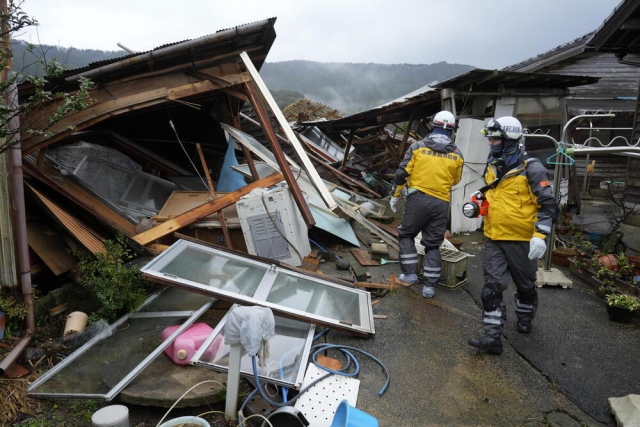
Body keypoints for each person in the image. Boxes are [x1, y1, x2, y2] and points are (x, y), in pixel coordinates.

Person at [467, 116, 558, 355]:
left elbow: (548, 205)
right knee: (491, 289)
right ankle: (492, 338)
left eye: (496, 139)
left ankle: (525, 318)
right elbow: (497, 195)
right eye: (490, 139)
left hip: (522, 241)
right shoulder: (492, 164)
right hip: (495, 238)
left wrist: (540, 235)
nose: (491, 143)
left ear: (511, 138)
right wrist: (482, 199)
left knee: (526, 286)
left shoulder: (533, 168)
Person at [389, 111, 464, 298]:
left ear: (433, 125)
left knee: (406, 234)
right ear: (452, 130)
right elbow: (456, 180)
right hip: (441, 203)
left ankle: (410, 274)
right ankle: (429, 287)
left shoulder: (417, 147)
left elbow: (402, 173)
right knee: (433, 244)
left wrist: (395, 195)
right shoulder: (457, 154)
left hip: (418, 199)